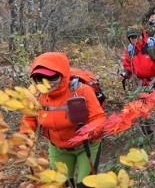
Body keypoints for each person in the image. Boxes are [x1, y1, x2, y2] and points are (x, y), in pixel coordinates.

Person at [20, 52, 106, 188]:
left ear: (63, 74)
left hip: (87, 145)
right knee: (62, 184)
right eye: (39, 78)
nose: (46, 82)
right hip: (58, 147)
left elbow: (98, 117)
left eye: (52, 77)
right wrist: (24, 136)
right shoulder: (36, 96)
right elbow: (30, 118)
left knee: (85, 185)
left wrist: (91, 131)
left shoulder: (83, 91)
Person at [120, 25, 155, 136]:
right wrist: (125, 73)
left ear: (142, 35)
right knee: (142, 111)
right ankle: (148, 135)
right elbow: (128, 66)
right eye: (132, 38)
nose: (134, 40)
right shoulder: (130, 50)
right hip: (143, 84)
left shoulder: (153, 44)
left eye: (136, 36)